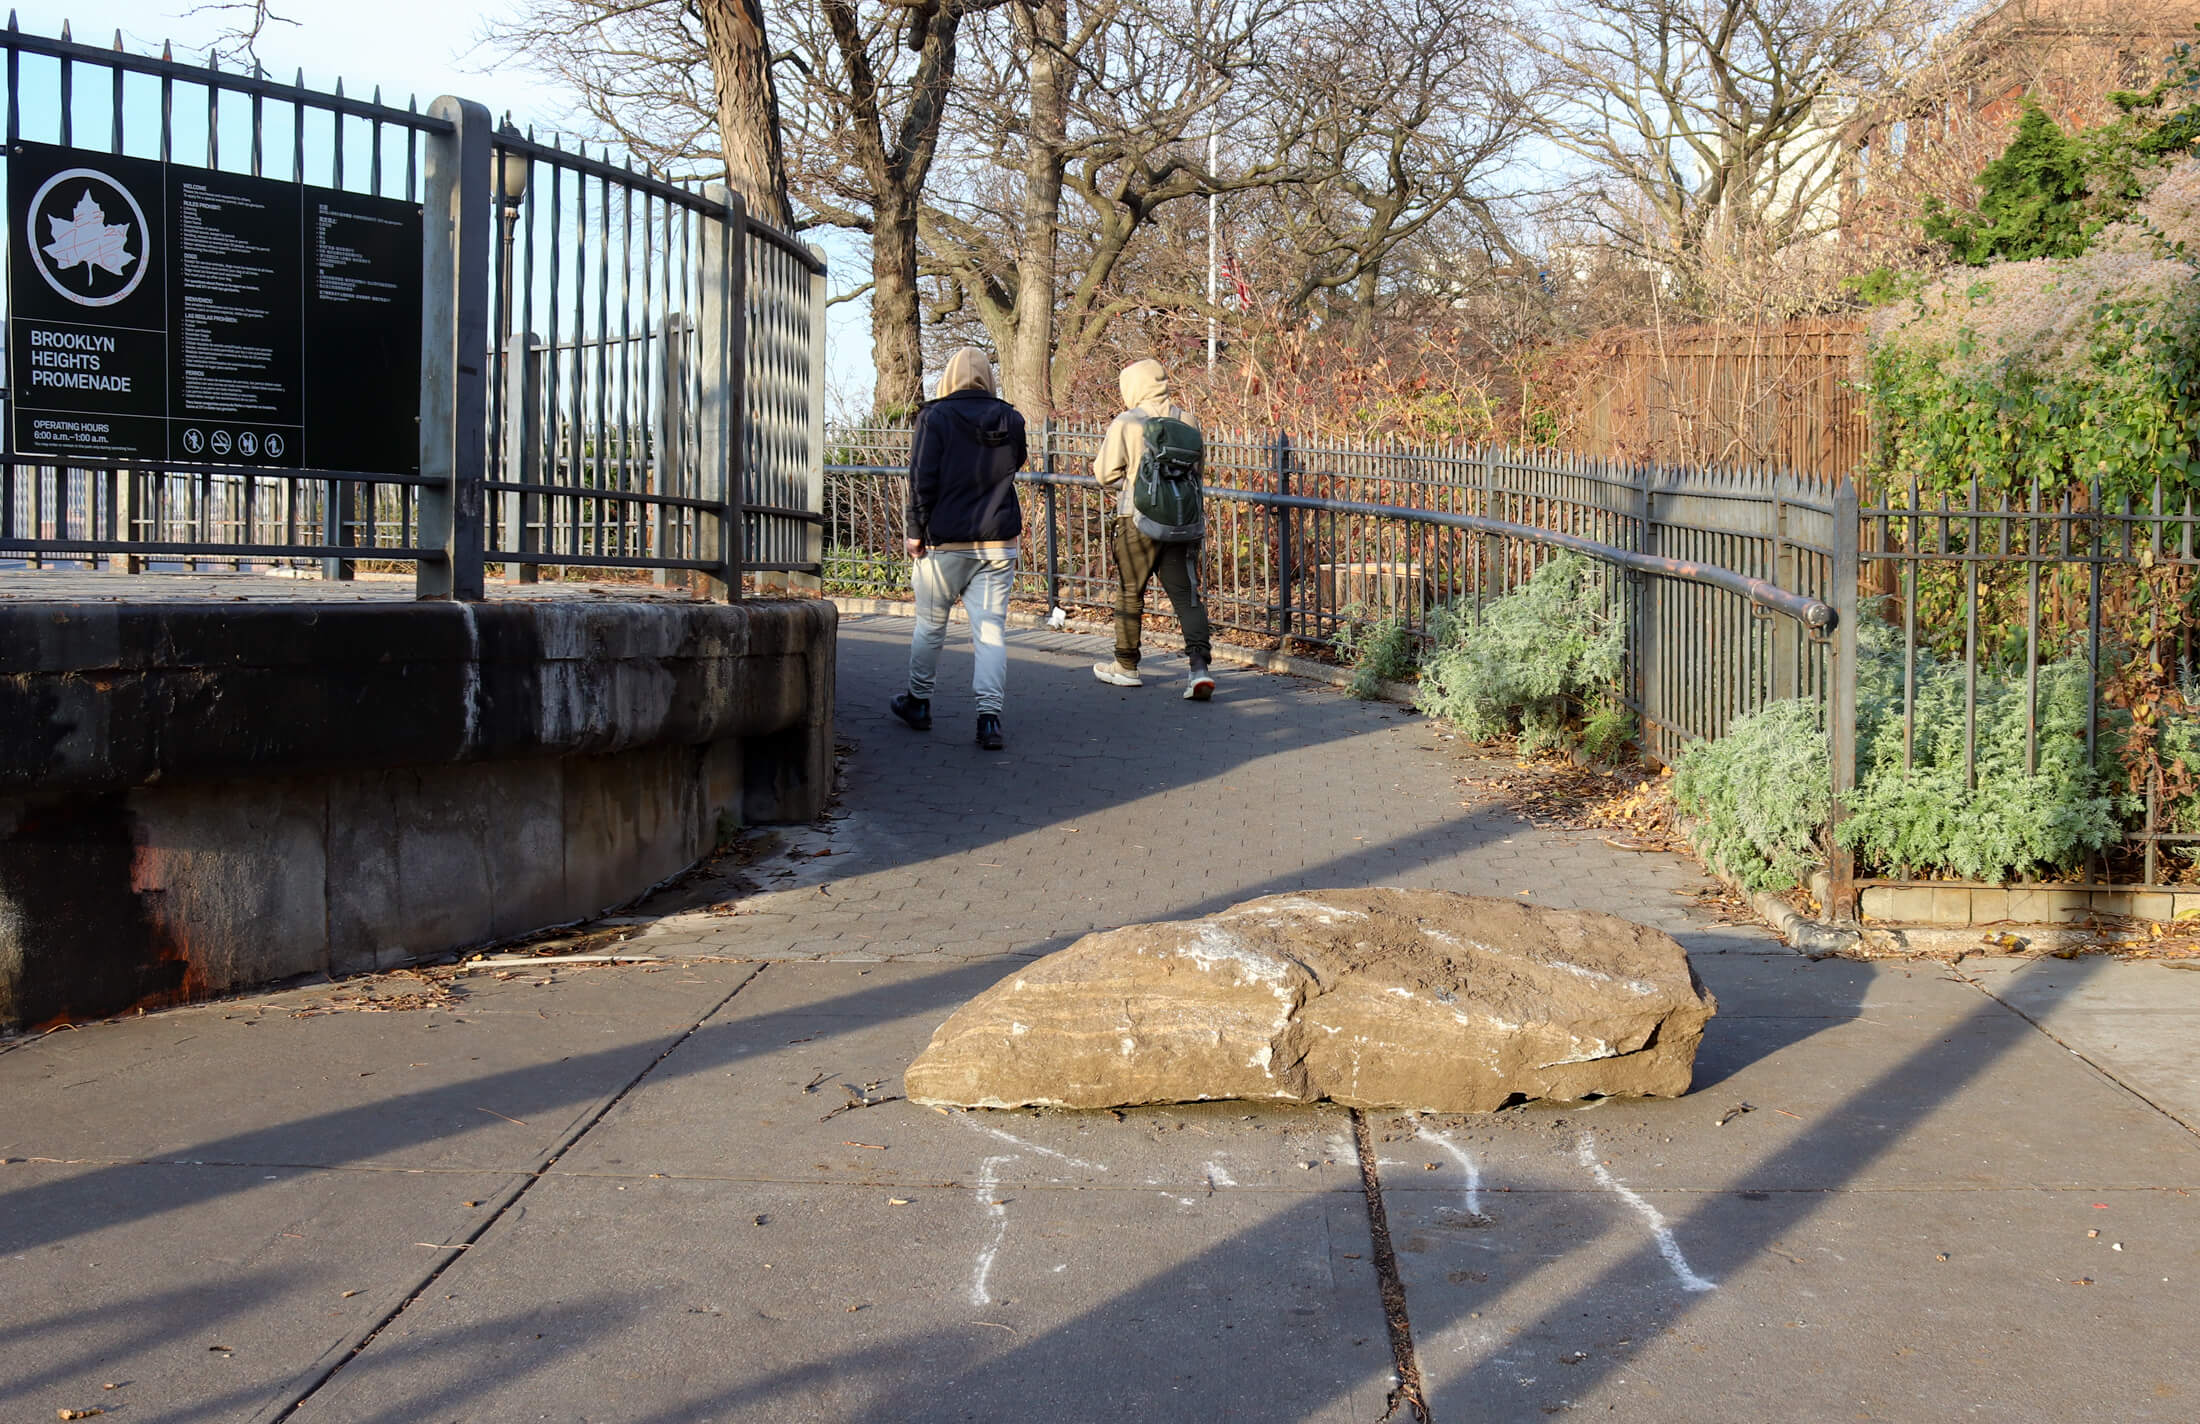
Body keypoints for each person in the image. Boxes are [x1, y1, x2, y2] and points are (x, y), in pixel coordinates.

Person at [891, 346, 1028, 750]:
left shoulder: (934, 417)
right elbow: (1015, 462)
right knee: (990, 632)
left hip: (945, 541)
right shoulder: (1011, 418)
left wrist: (915, 530)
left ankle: (918, 703)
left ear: (949, 376)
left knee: (930, 625)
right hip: (999, 541)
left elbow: (922, 479)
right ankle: (989, 720)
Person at [1091, 358, 1214, 700]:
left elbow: (1103, 474)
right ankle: (1199, 669)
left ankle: (1126, 666)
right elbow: (1199, 470)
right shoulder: (1187, 420)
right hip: (1181, 521)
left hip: (1137, 520)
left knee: (1131, 591)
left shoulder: (1127, 422)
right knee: (1187, 595)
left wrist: (1133, 482)